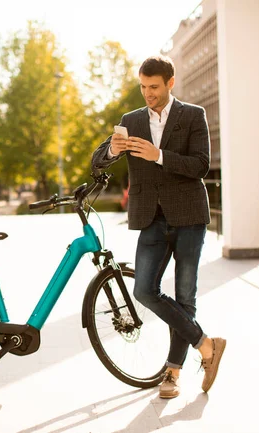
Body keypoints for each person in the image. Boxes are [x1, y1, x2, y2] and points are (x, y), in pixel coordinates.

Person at [91, 55, 226, 399]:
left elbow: (201, 165)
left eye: (154, 87)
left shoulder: (193, 115)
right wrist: (111, 149)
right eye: (143, 87)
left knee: (185, 296)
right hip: (150, 216)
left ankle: (173, 373)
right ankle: (207, 344)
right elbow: (97, 162)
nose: (147, 93)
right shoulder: (130, 119)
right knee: (144, 290)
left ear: (170, 82)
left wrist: (159, 155)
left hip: (189, 216)